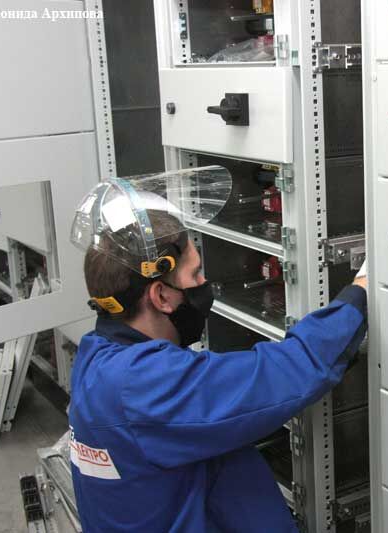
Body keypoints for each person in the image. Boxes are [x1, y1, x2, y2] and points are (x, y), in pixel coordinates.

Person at [66, 171, 368, 532]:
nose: (203, 284)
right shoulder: (143, 384)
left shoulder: (96, 357)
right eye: (195, 275)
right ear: (161, 297)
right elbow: (284, 372)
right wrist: (361, 292)